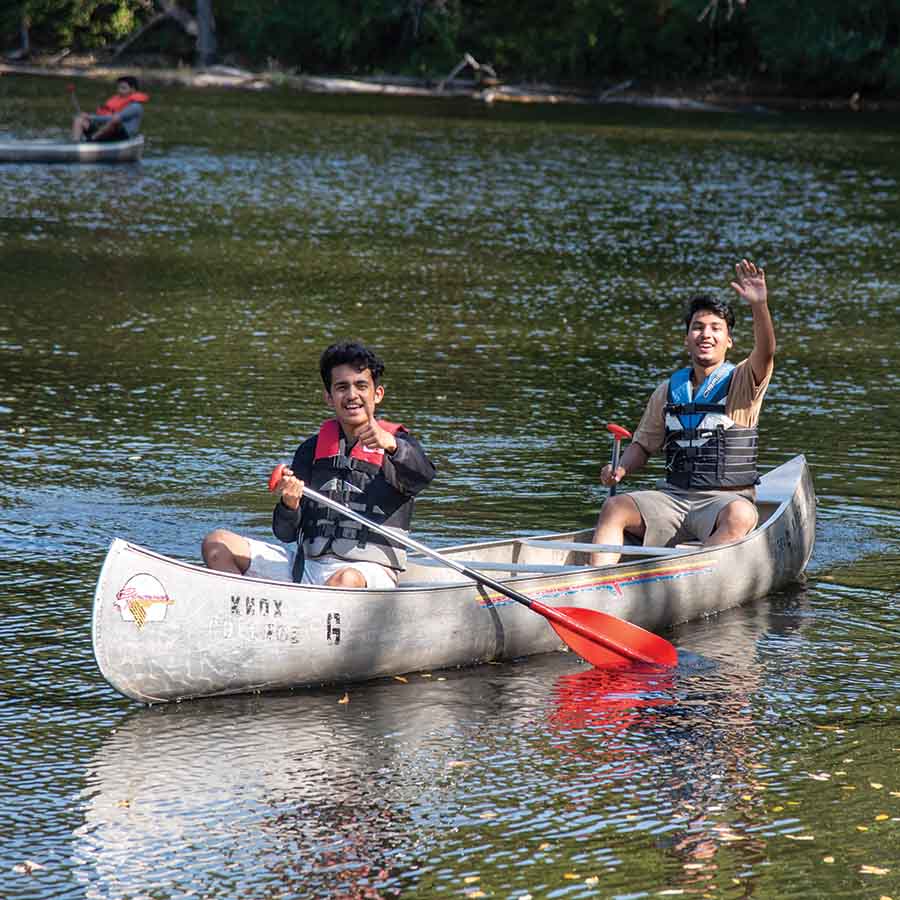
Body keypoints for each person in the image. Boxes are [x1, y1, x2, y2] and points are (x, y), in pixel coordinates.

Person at [202, 341, 436, 589]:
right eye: (342, 387)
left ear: (377, 394)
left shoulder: (399, 445)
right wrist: (289, 505)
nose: (352, 395)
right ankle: (241, 609)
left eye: (361, 386)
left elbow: (423, 476)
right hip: (307, 567)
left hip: (368, 573)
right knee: (216, 542)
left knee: (345, 579)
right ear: (329, 396)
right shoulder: (310, 450)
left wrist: (392, 445)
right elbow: (285, 534)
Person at [591, 259, 775, 566]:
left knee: (741, 514)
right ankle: (598, 583)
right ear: (686, 338)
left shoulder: (743, 381)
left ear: (728, 341)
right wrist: (620, 469)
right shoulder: (668, 390)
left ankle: (691, 575)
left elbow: (766, 351)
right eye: (698, 328)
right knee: (615, 508)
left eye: (716, 329)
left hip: (724, 501)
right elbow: (643, 445)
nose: (706, 335)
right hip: (673, 498)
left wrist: (760, 305)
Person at [71, 75, 149, 143]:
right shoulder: (116, 100)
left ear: (133, 89)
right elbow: (103, 116)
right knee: (80, 119)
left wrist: (90, 117)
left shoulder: (135, 106)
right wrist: (87, 116)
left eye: (123, 88)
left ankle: (92, 139)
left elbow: (114, 118)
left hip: (122, 137)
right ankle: (76, 145)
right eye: (118, 88)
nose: (119, 91)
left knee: (115, 119)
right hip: (107, 133)